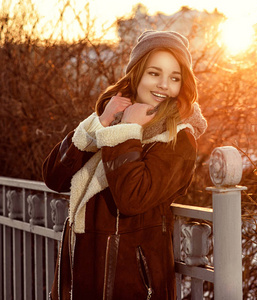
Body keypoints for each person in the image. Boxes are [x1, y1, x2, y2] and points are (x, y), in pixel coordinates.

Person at [43, 30, 207, 300]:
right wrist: (101, 123)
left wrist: (127, 130)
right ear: (137, 73)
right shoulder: (113, 123)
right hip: (80, 279)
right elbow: (54, 178)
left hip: (132, 288)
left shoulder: (178, 138)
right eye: (154, 73)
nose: (164, 85)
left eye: (174, 78)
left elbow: (132, 198)